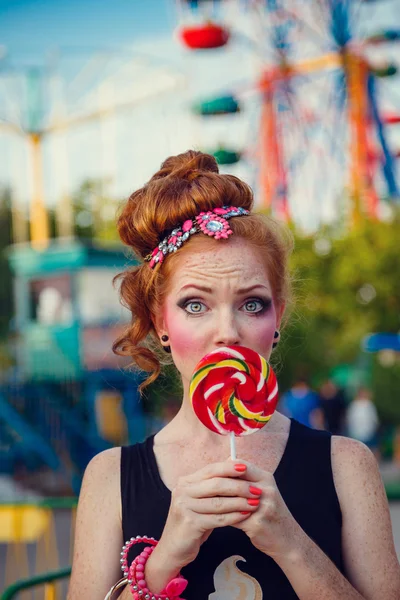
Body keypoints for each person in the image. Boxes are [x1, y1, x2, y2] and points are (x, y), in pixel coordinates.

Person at [68, 151, 400, 600]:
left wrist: (292, 544)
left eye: (251, 304)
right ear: (161, 323)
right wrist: (166, 556)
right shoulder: (110, 476)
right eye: (195, 305)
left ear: (277, 317)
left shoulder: (347, 464)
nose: (227, 332)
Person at [346, 386, 380, 455]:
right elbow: (349, 419)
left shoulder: (369, 404)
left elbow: (374, 419)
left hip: (369, 431)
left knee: (373, 449)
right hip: (356, 432)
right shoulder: (353, 405)